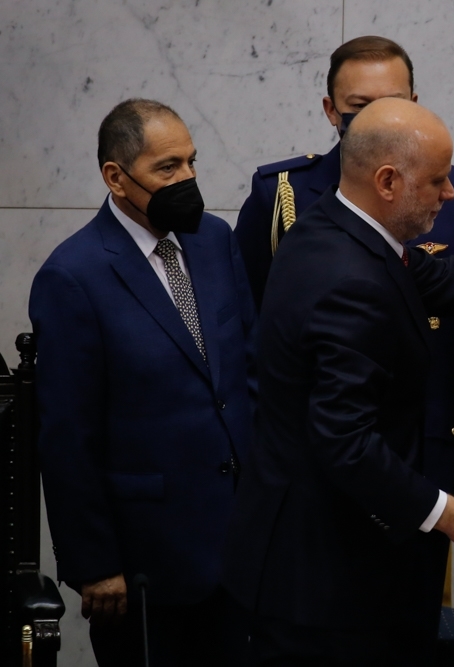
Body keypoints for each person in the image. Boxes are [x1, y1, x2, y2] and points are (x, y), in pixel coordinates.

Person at [223, 97, 454, 666]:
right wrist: (445, 513)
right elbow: (344, 441)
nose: (450, 194)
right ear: (387, 181)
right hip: (329, 587)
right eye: (438, 181)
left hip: (324, 566)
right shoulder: (347, 280)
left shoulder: (336, 230)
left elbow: (449, 278)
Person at [29, 98, 256, 666]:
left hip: (241, 545)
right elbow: (67, 439)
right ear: (116, 176)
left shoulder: (215, 240)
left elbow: (248, 370)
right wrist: (95, 564)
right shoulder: (72, 276)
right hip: (146, 563)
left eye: (192, 162)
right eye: (168, 168)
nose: (189, 179)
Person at [235, 35, 454, 499]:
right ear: (331, 110)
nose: (379, 119)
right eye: (359, 107)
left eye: (393, 103)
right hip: (317, 453)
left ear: (416, 104)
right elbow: (250, 333)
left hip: (429, 445)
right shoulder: (283, 195)